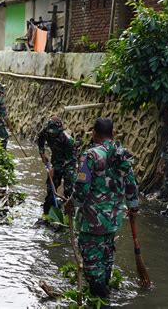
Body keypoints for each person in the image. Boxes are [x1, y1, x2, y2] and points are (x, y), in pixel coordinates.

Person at [64, 117, 139, 298]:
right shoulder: (123, 154)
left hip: (92, 221)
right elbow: (131, 185)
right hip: (113, 219)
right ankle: (105, 294)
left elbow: (81, 189)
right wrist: (133, 207)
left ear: (94, 133)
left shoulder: (91, 155)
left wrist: (71, 203)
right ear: (113, 134)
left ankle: (101, 297)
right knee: (106, 258)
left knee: (91, 262)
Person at [37, 116, 76, 215]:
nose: (52, 135)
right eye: (51, 133)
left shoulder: (68, 141)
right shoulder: (47, 131)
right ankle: (48, 213)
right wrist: (42, 153)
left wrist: (54, 168)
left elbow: (69, 159)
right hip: (56, 160)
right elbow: (40, 138)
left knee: (68, 191)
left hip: (69, 163)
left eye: (54, 133)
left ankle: (70, 216)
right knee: (51, 188)